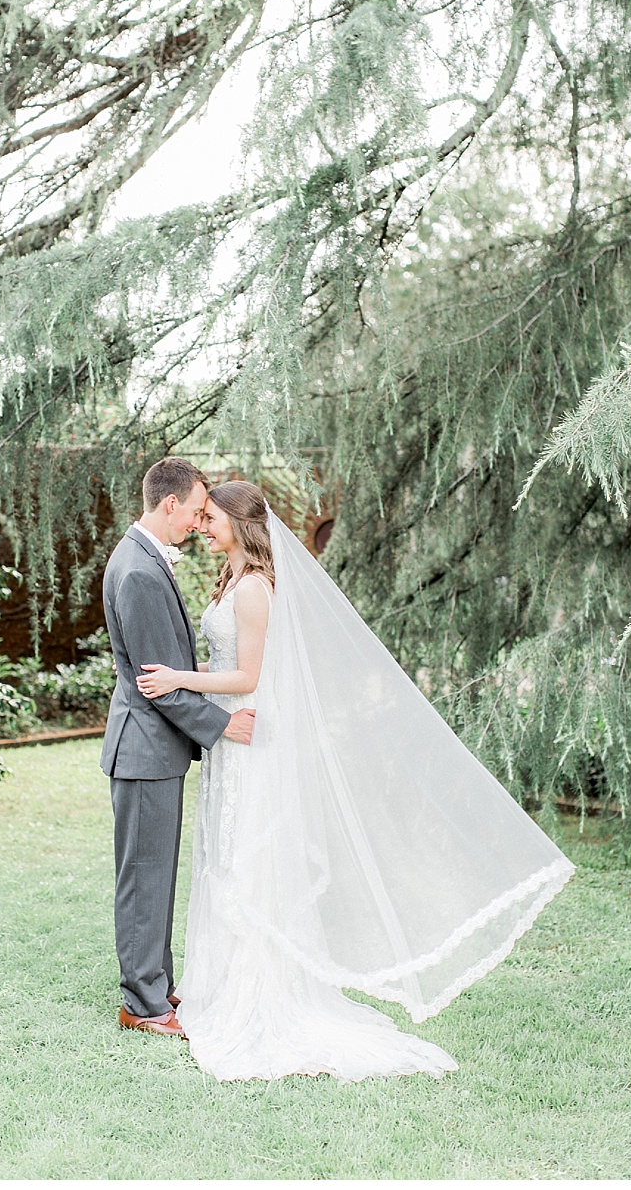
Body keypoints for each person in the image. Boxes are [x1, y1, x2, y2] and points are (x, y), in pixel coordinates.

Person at [133, 478, 575, 1080]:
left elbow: (247, 677)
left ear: (241, 523)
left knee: (252, 860)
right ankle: (225, 984)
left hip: (251, 735)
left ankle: (266, 994)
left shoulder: (257, 588)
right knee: (227, 858)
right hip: (230, 745)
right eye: (201, 516)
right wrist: (194, 685)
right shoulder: (231, 580)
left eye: (212, 518)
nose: (203, 525)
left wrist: (181, 681)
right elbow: (228, 666)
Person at [101, 457, 255, 1038]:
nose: (197, 522)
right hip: (143, 749)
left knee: (155, 872)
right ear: (170, 504)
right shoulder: (139, 570)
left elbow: (169, 672)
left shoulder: (140, 558)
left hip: (152, 750)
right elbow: (154, 680)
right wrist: (221, 725)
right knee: (143, 876)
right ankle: (142, 1006)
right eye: (195, 511)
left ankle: (155, 984)